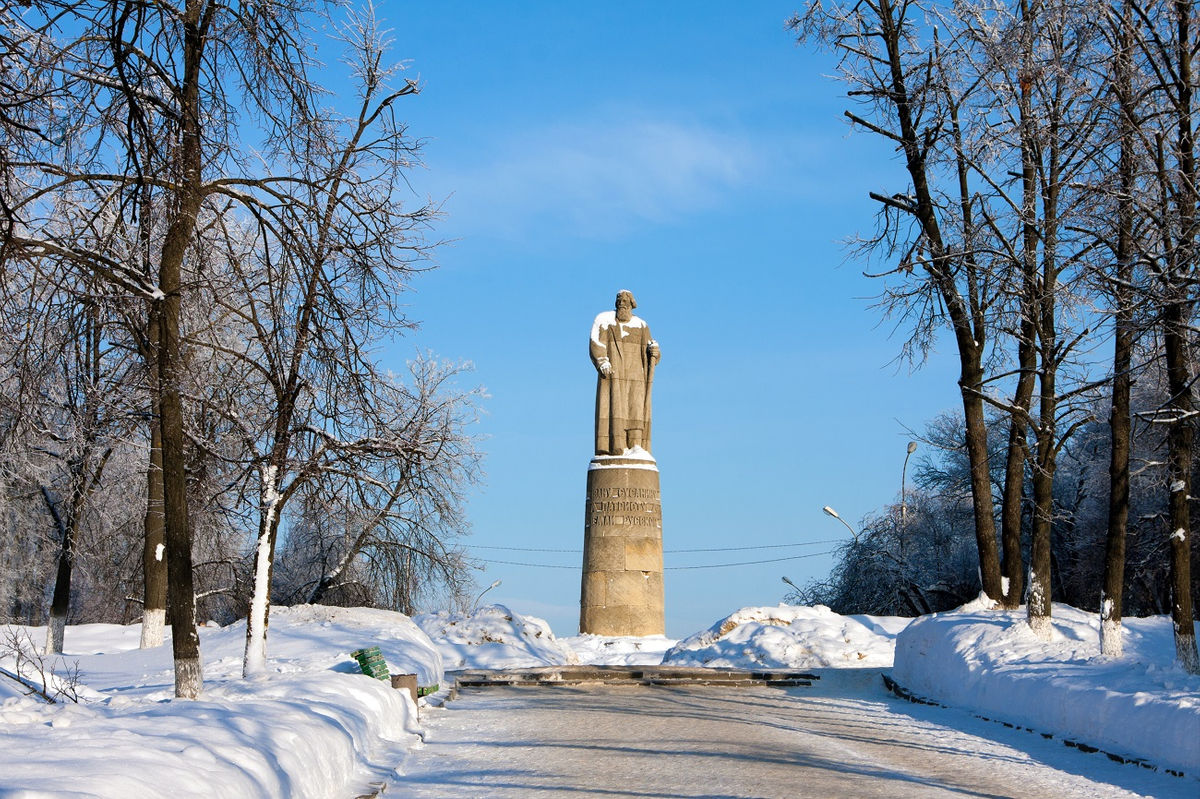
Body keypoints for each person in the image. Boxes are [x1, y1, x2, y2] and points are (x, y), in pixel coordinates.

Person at [590, 290, 660, 456]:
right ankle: (616, 446)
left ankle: (636, 446)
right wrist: (602, 361)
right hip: (614, 375)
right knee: (615, 410)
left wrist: (655, 352)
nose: (621, 303)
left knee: (635, 409)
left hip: (636, 376)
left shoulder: (641, 326)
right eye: (619, 300)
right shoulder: (604, 321)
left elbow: (652, 352)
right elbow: (595, 342)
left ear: (632, 304)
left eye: (625, 301)